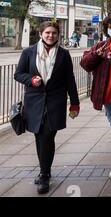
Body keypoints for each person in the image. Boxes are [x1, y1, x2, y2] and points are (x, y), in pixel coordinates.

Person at [14, 21, 80, 194]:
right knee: (39, 136)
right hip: (34, 102)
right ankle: (44, 169)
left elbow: (69, 80)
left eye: (54, 33)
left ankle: (45, 175)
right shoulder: (29, 52)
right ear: (41, 34)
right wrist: (31, 80)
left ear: (58, 35)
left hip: (55, 102)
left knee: (47, 137)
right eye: (48, 33)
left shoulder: (64, 54)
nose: (51, 36)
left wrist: (75, 103)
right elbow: (18, 74)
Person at [80, 15, 111, 179]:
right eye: (109, 26)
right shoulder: (102, 45)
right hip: (105, 94)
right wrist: (96, 55)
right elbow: (85, 64)